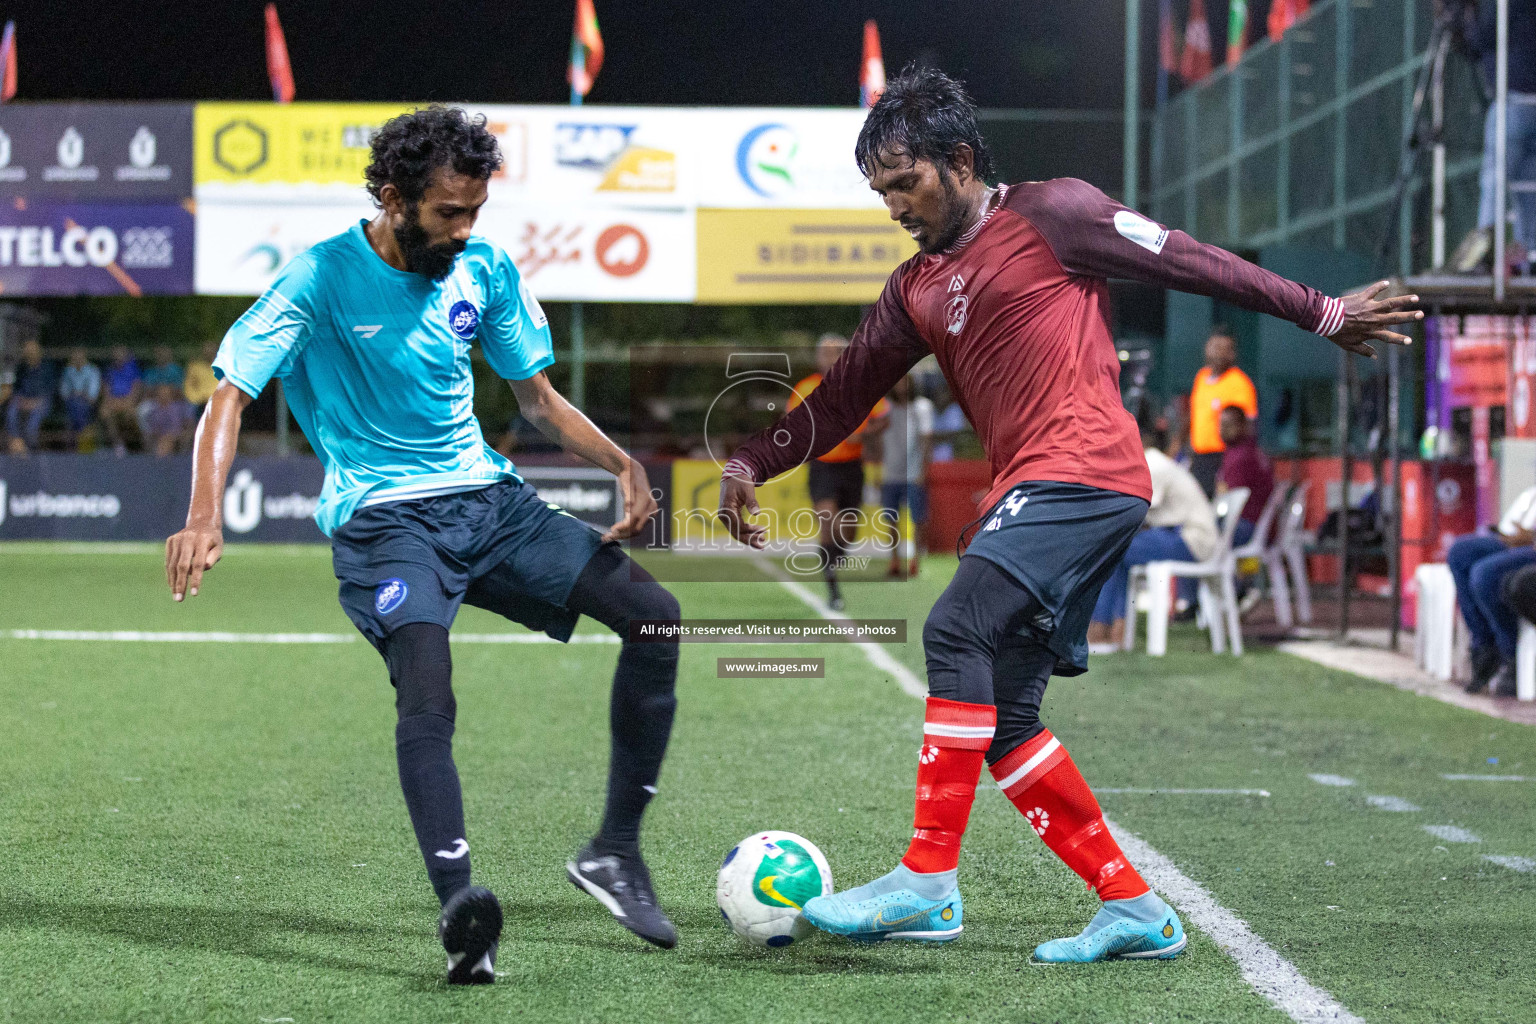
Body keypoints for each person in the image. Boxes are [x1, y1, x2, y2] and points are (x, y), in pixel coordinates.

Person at [715, 66, 1420, 962]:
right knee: (1006, 715)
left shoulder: (1055, 214)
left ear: (960, 161)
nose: (893, 206)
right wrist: (753, 459)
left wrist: (1321, 312)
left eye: (906, 184)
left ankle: (929, 880)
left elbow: (1189, 258)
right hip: (1042, 489)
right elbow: (844, 395)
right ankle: (1134, 909)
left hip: (1084, 471)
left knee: (954, 628)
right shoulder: (914, 287)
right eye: (880, 191)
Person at [164, 106, 683, 985]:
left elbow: (537, 399)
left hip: (488, 504)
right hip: (386, 522)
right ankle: (460, 911)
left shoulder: (482, 266)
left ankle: (614, 852)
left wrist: (623, 465)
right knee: (428, 693)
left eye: (476, 211)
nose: (466, 229)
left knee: (657, 619)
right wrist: (204, 515)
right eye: (449, 213)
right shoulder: (322, 277)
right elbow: (230, 394)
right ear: (392, 197)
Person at [1086, 422, 1219, 650]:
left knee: (1110, 550)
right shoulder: (1154, 463)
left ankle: (1101, 631)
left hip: (1193, 540)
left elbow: (1135, 515)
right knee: (1116, 551)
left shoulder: (1152, 465)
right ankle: (1113, 631)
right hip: (1186, 536)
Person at [787, 333, 888, 610]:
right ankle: (833, 590)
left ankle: (833, 558)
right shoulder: (806, 388)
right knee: (827, 521)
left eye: (836, 353)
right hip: (822, 466)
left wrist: (865, 434)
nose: (830, 358)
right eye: (825, 353)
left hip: (852, 467)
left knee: (848, 531)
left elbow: (883, 417)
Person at [1448, 0, 1536, 274]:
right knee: (1527, 184)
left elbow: (1481, 38)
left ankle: (1484, 254)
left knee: (1495, 178)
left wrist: (1457, 15)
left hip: (1515, 97)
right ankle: (1529, 257)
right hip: (1522, 96)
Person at [1445, 484, 1536, 696]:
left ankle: (1509, 655)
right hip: (1522, 540)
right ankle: (1484, 646)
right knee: (1461, 551)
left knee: (1484, 574)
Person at [1188, 327, 1256, 497]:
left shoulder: (1240, 383)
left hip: (1223, 458)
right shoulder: (1201, 377)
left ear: (1231, 354)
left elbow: (1246, 426)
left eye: (1222, 348)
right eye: (1213, 346)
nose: (1216, 353)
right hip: (1199, 457)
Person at [879, 373, 935, 577]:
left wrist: (923, 468)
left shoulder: (921, 407)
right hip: (890, 471)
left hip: (913, 472)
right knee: (891, 518)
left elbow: (926, 439)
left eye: (905, 380)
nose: (901, 385)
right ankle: (894, 559)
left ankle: (915, 557)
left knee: (917, 517)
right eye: (898, 380)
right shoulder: (885, 407)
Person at [1216, 404, 1274, 549]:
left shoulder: (1241, 457)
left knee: (1195, 536)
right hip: (1260, 526)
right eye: (1221, 424)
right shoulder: (1249, 450)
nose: (1223, 429)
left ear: (1243, 426)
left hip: (1248, 527)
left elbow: (1226, 500)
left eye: (1229, 424)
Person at [4, 340, 56, 455]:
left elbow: (49, 391)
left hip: (41, 402)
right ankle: (16, 444)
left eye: (31, 351)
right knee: (11, 411)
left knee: (33, 421)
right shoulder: (22, 368)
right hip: (23, 400)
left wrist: (33, 403)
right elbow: (16, 389)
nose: (29, 353)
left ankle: (31, 448)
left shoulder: (47, 368)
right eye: (27, 351)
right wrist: (22, 400)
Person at [99, 346, 143, 455]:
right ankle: (118, 445)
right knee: (104, 412)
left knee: (130, 414)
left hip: (128, 401)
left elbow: (136, 390)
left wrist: (126, 402)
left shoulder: (133, 370)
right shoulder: (110, 370)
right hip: (114, 401)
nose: (117, 356)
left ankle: (138, 446)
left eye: (120, 353)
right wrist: (111, 401)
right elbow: (106, 390)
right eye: (115, 354)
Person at [58, 346, 102, 450]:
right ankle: (82, 438)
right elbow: (64, 392)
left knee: (78, 406)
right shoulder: (68, 371)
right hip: (71, 403)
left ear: (84, 357)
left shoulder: (92, 370)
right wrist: (77, 394)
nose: (77, 358)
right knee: (75, 404)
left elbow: (93, 395)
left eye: (79, 356)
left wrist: (79, 394)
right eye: (75, 356)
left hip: (88, 404)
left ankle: (74, 442)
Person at [143, 383, 196, 457]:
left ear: (170, 395)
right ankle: (161, 461)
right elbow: (152, 430)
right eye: (161, 394)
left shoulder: (180, 408)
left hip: (178, 436)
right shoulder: (154, 412)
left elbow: (189, 424)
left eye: (165, 393)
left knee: (167, 442)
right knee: (163, 443)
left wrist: (176, 435)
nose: (163, 396)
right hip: (161, 438)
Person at [183, 342, 219, 411]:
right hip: (199, 403)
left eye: (211, 351)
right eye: (207, 351)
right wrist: (198, 399)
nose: (209, 353)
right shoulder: (195, 367)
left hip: (218, 401)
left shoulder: (223, 368)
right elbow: (188, 387)